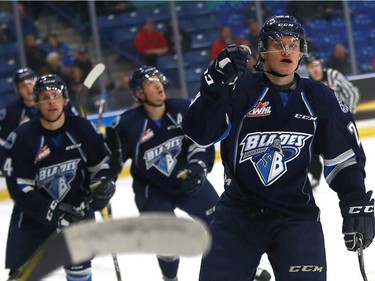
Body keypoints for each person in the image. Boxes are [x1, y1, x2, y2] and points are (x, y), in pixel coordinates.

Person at [182, 15, 374, 281]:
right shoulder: (240, 88)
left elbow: (343, 158)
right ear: (263, 51)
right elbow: (199, 134)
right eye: (278, 43)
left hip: (296, 217)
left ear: (301, 52)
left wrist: (354, 201)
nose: (286, 50)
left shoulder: (320, 97)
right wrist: (214, 90)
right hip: (237, 217)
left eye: (293, 44)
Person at [2, 74, 116, 281]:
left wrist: (103, 186)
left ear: (65, 100)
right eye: (44, 97)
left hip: (77, 211)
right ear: (36, 103)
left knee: (80, 271)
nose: (51, 101)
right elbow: (20, 187)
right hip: (33, 218)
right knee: (22, 276)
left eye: (55, 95)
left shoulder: (81, 128)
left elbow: (102, 166)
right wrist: (50, 209)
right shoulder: (22, 137)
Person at [110, 65, 219, 281]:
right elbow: (111, 162)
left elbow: (201, 140)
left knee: (221, 225)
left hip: (188, 180)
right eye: (150, 83)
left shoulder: (183, 108)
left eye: (158, 80)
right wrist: (105, 177)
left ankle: (236, 272)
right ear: (139, 93)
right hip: (152, 190)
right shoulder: (127, 124)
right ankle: (170, 279)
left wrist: (198, 165)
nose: (158, 84)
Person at [305, 53, 361, 187]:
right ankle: (315, 175)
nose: (315, 69)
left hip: (337, 123)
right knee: (309, 147)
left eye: (317, 65)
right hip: (317, 123)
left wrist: (347, 113)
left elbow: (352, 92)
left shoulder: (333, 75)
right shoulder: (306, 83)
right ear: (307, 68)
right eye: (312, 66)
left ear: (321, 65)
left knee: (344, 150)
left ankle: (349, 177)